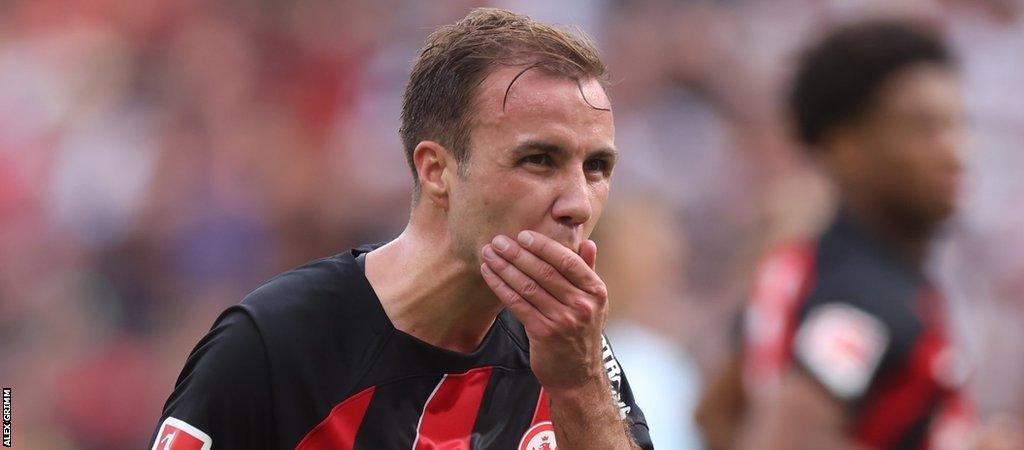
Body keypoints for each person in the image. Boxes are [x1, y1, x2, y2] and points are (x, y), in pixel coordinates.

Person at [149, 8, 652, 450]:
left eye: (597, 168)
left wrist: (579, 386)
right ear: (437, 171)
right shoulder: (275, 345)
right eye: (539, 159)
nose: (578, 204)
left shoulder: (572, 355)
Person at [701, 19, 1020, 450]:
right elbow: (785, 441)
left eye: (958, 125)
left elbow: (716, 416)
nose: (955, 151)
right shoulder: (863, 297)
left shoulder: (803, 265)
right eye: (922, 128)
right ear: (844, 147)